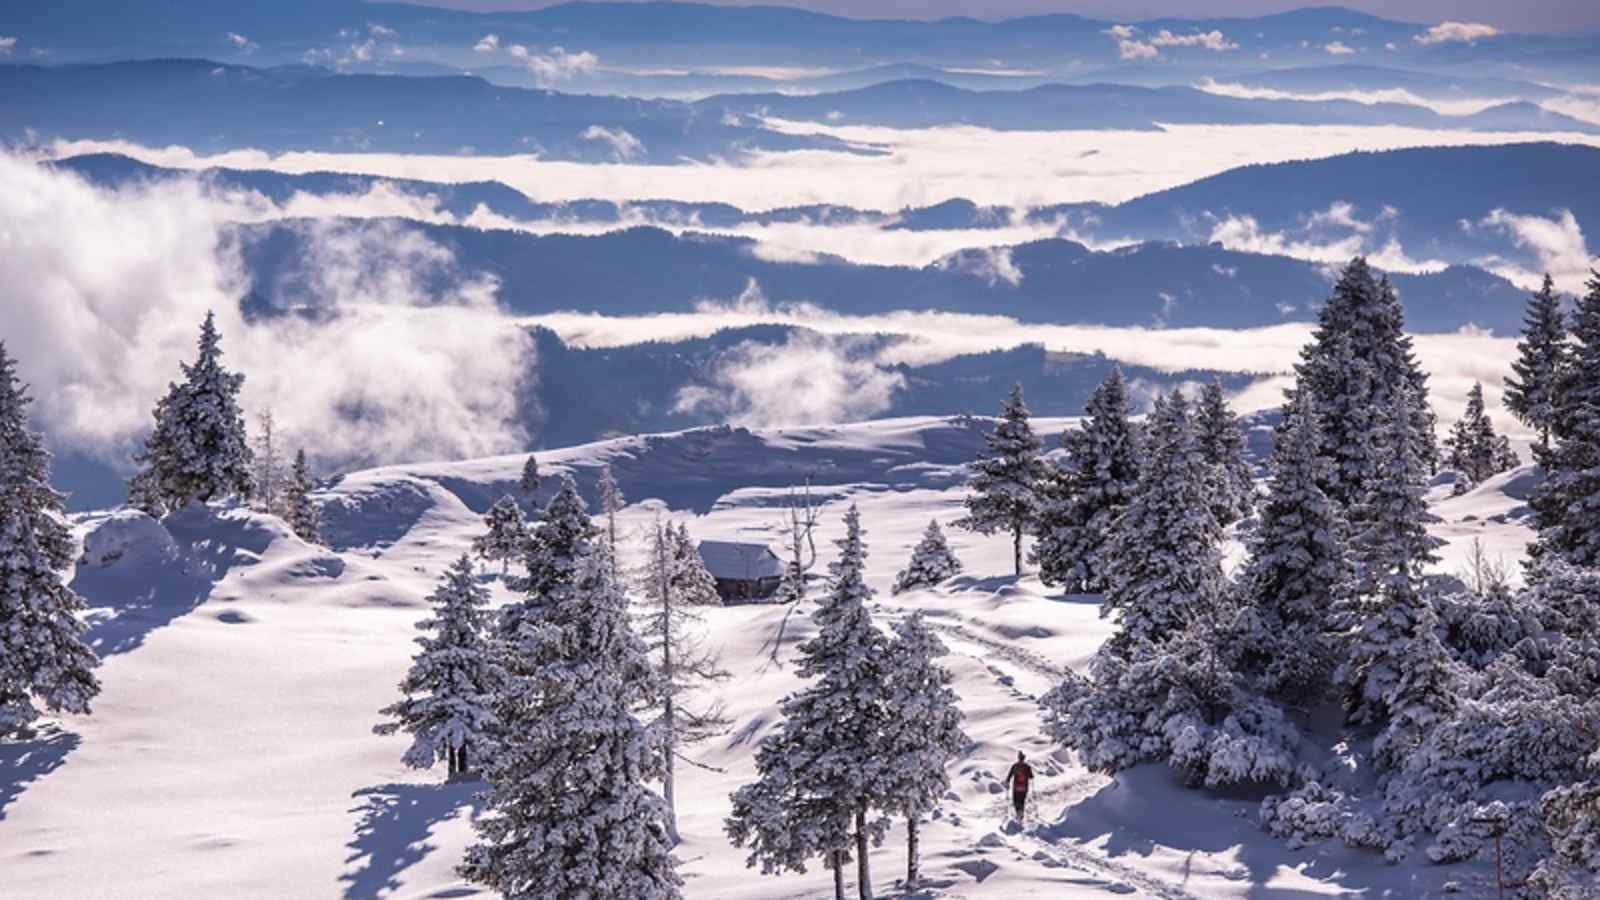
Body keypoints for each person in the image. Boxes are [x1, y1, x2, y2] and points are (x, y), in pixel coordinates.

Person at [1006, 751, 1034, 821]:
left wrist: (1007, 781)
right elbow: (1031, 777)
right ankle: (1021, 814)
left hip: (1016, 787)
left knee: (1015, 800)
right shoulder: (1027, 767)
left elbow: (1009, 776)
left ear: (1018, 758)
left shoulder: (1014, 766)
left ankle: (1018, 813)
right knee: (1022, 800)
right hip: (1024, 787)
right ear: (1024, 758)